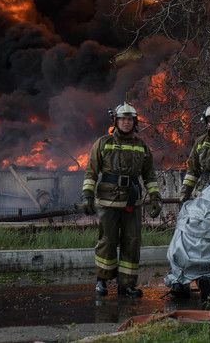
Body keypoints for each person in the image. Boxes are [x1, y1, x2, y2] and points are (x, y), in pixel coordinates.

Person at [80, 102, 162, 299]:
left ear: (135, 122)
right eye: (122, 119)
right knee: (107, 241)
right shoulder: (103, 143)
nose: (126, 122)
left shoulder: (141, 146)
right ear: (115, 121)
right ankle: (102, 280)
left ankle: (126, 286)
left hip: (131, 202)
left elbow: (149, 175)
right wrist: (87, 196)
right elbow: (91, 172)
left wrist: (155, 197)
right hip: (108, 201)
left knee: (132, 242)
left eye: (130, 119)